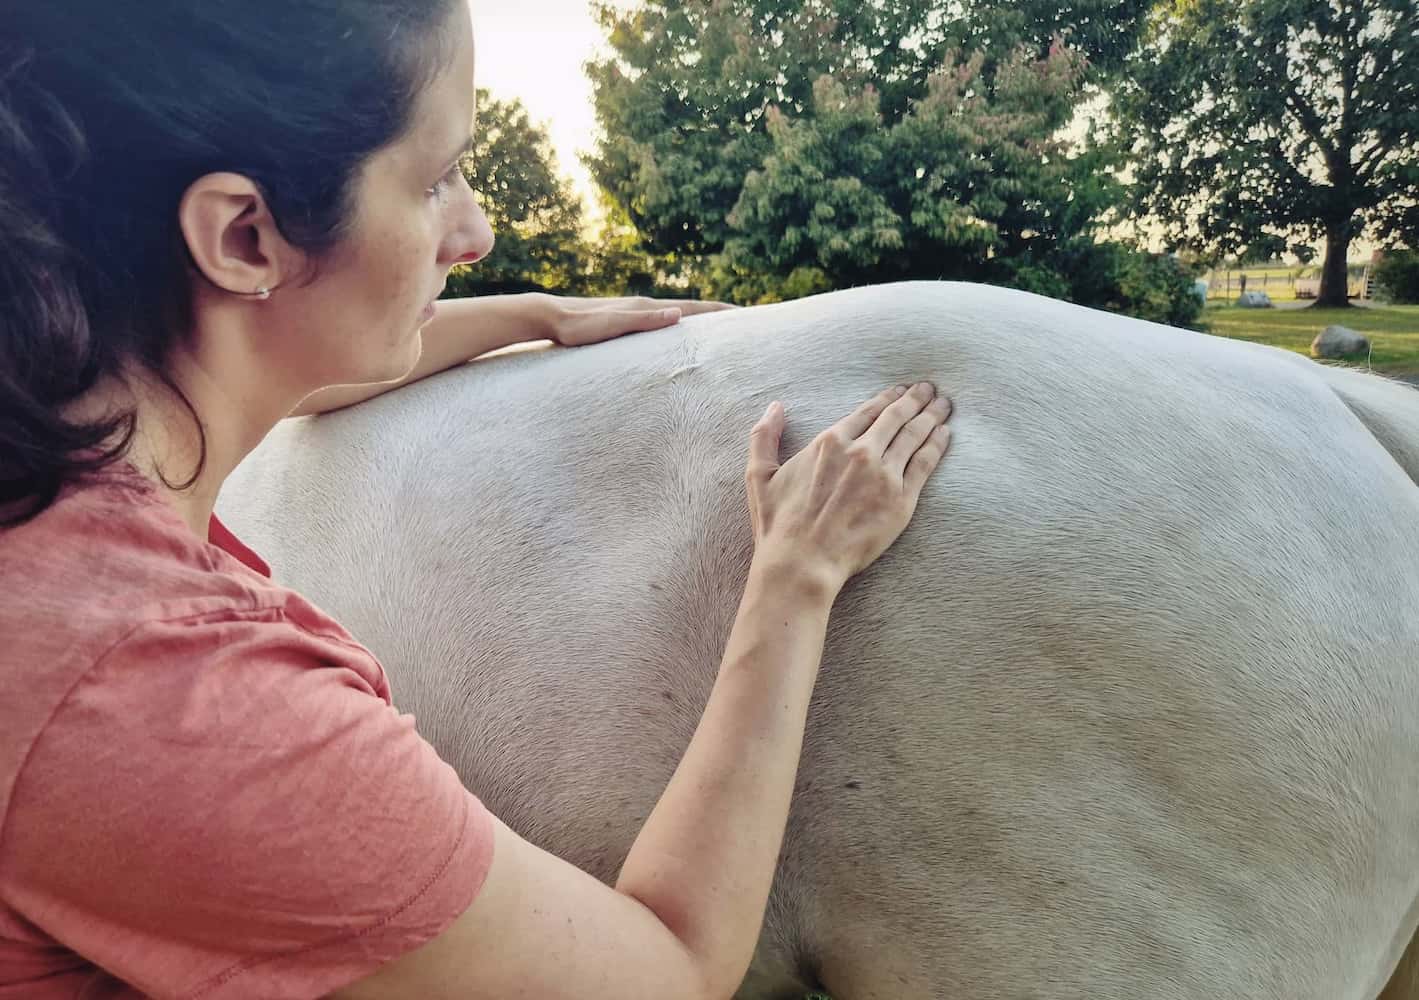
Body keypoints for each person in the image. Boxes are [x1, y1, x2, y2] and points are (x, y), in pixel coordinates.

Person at [0, 1, 954, 997]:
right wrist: (794, 579)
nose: (475, 232)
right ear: (244, 238)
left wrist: (534, 316)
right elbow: (664, 973)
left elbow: (277, 378)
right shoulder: (171, 699)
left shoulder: (48, 434)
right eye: (436, 178)